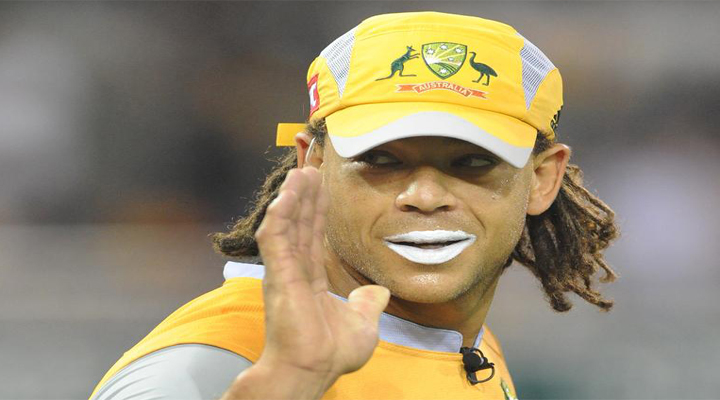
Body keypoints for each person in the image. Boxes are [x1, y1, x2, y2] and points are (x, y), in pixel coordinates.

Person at [89, 11, 618, 400]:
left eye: (473, 163)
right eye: (382, 160)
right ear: (313, 165)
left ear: (542, 179)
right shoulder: (211, 363)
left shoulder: (457, 341)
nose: (425, 197)